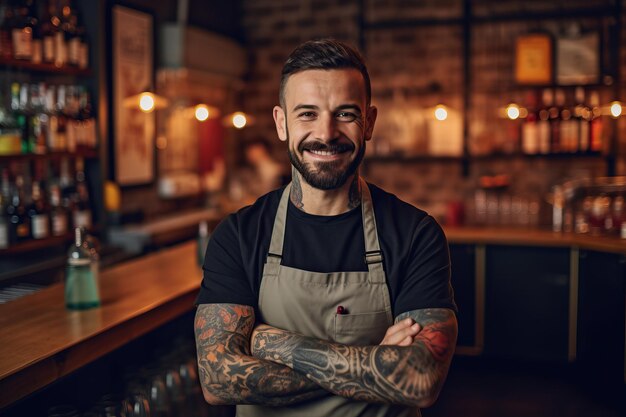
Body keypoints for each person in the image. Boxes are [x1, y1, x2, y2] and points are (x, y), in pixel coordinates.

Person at [194, 39, 458, 417]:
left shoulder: (416, 234)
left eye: (345, 114)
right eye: (307, 114)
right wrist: (376, 364)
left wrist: (275, 345)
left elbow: (421, 379)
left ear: (368, 122)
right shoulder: (239, 235)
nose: (327, 132)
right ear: (281, 123)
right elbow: (218, 380)